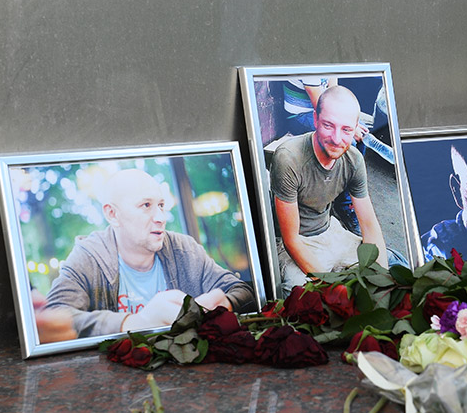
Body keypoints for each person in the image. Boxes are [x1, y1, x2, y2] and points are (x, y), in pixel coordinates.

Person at [45, 169, 255, 339]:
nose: (161, 218)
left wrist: (221, 305)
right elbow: (54, 317)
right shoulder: (89, 256)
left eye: (161, 205)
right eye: (146, 205)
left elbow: (242, 290)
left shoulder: (184, 249)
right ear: (112, 214)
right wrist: (136, 323)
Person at [271, 85, 389, 294]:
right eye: (328, 125)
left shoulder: (354, 160)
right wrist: (333, 288)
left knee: (393, 265)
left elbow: (370, 226)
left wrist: (383, 280)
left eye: (346, 130)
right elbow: (291, 240)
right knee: (301, 295)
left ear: (355, 129)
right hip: (298, 243)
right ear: (315, 119)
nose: (336, 138)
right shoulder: (289, 158)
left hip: (331, 232)